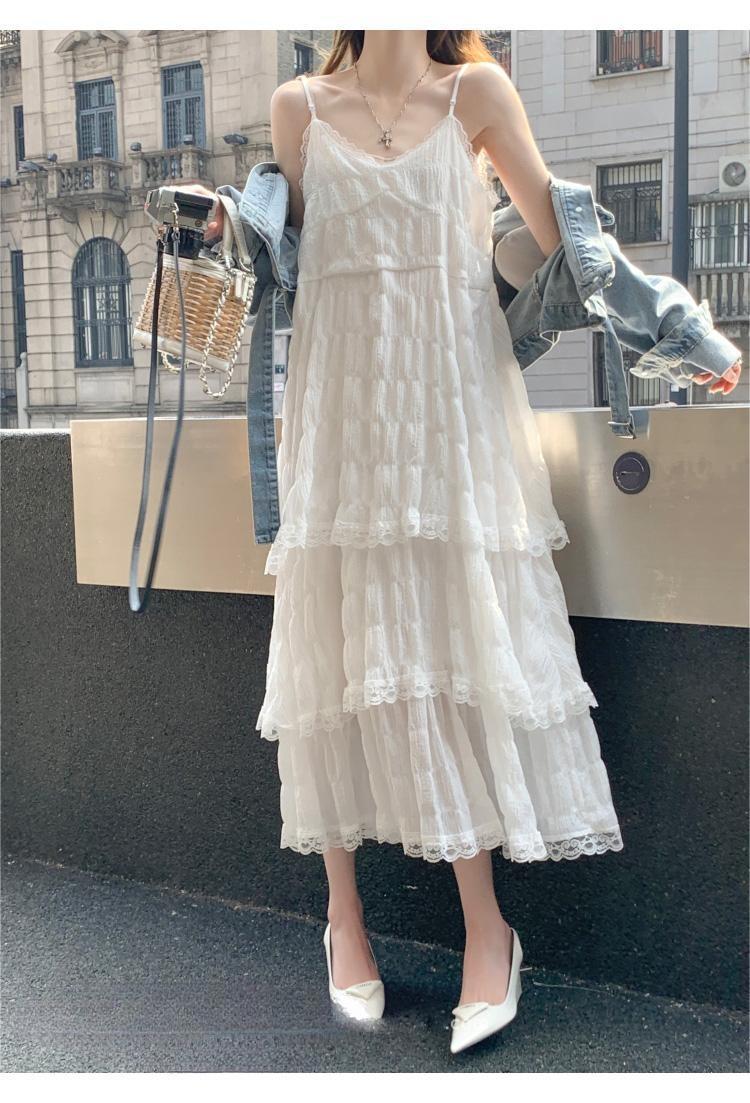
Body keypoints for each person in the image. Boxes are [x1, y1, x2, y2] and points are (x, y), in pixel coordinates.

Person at [184, 30, 741, 1053]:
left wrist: (680, 329)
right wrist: (224, 224)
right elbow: (286, 264)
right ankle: (343, 918)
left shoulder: (476, 93)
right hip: (340, 417)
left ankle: (490, 930)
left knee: (456, 656)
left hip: (451, 417)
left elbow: (571, 244)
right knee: (333, 656)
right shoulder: (298, 108)